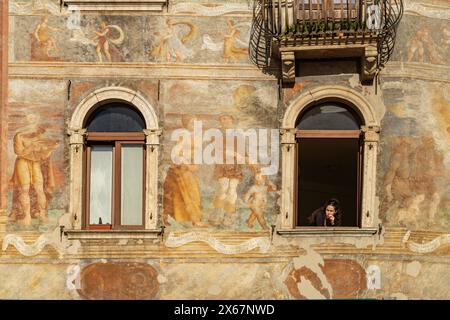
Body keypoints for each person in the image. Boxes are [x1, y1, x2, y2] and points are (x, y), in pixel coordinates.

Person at [9, 113, 59, 226]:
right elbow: (19, 152)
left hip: (35, 162)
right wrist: (32, 147)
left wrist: (50, 148)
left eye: (34, 117)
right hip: (22, 163)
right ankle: (27, 216)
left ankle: (42, 214)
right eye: (30, 117)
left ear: (38, 118)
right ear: (26, 119)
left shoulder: (40, 135)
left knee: (39, 189)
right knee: (24, 189)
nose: (32, 119)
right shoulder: (19, 135)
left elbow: (43, 154)